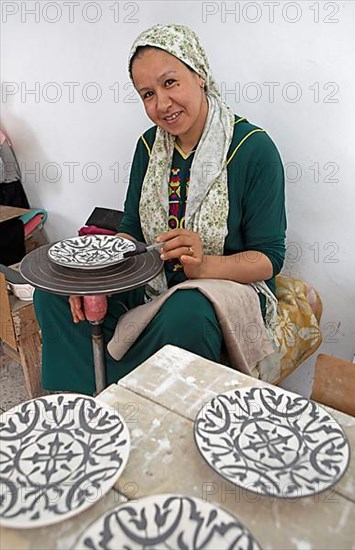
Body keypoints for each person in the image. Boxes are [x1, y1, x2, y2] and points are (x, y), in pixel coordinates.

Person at [33, 24, 286, 395]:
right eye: (148, 93)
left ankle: (127, 397)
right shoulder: (149, 146)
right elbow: (132, 230)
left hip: (220, 287)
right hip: (151, 281)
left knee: (188, 314)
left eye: (171, 83)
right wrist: (92, 277)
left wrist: (206, 266)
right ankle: (99, 400)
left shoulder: (253, 149)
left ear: (199, 74)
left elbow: (269, 258)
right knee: (52, 295)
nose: (162, 104)